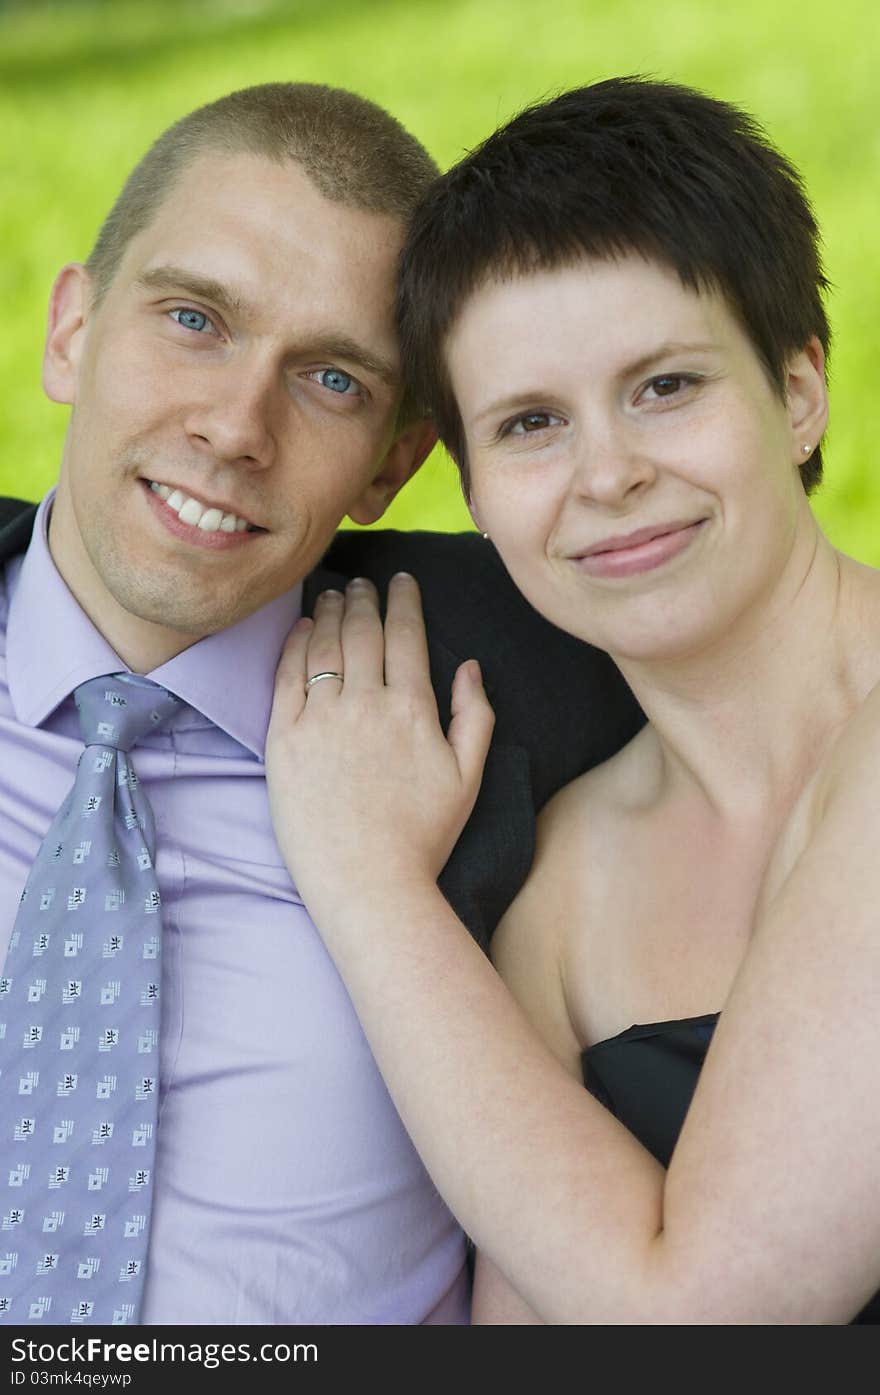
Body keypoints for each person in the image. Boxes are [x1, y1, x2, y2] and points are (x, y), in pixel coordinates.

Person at [0, 83, 642, 1326]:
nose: (236, 427)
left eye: (333, 381)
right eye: (193, 319)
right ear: (71, 329)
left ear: (395, 465)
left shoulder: (529, 667)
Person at [265, 77, 880, 1323]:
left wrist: (368, 883)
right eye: (531, 422)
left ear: (799, 388)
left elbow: (707, 1317)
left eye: (664, 385)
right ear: (474, 492)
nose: (608, 474)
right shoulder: (561, 884)